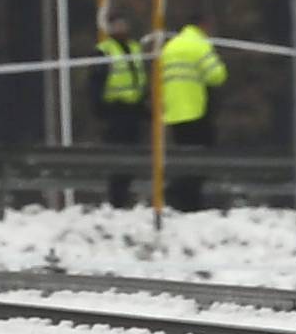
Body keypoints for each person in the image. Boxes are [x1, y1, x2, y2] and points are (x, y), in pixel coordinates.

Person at [161, 19, 227, 213]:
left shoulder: (170, 46)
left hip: (174, 112)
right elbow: (217, 75)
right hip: (195, 110)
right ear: (203, 27)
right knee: (200, 158)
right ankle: (184, 198)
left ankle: (182, 200)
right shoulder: (199, 45)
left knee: (185, 157)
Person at [92, 13, 149, 208]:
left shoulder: (134, 48)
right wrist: (100, 108)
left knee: (131, 156)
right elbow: (95, 82)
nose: (121, 28)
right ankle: (117, 198)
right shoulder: (105, 50)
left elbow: (139, 78)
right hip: (115, 110)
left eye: (123, 24)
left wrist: (143, 106)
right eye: (116, 25)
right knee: (119, 156)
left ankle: (124, 195)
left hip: (133, 109)